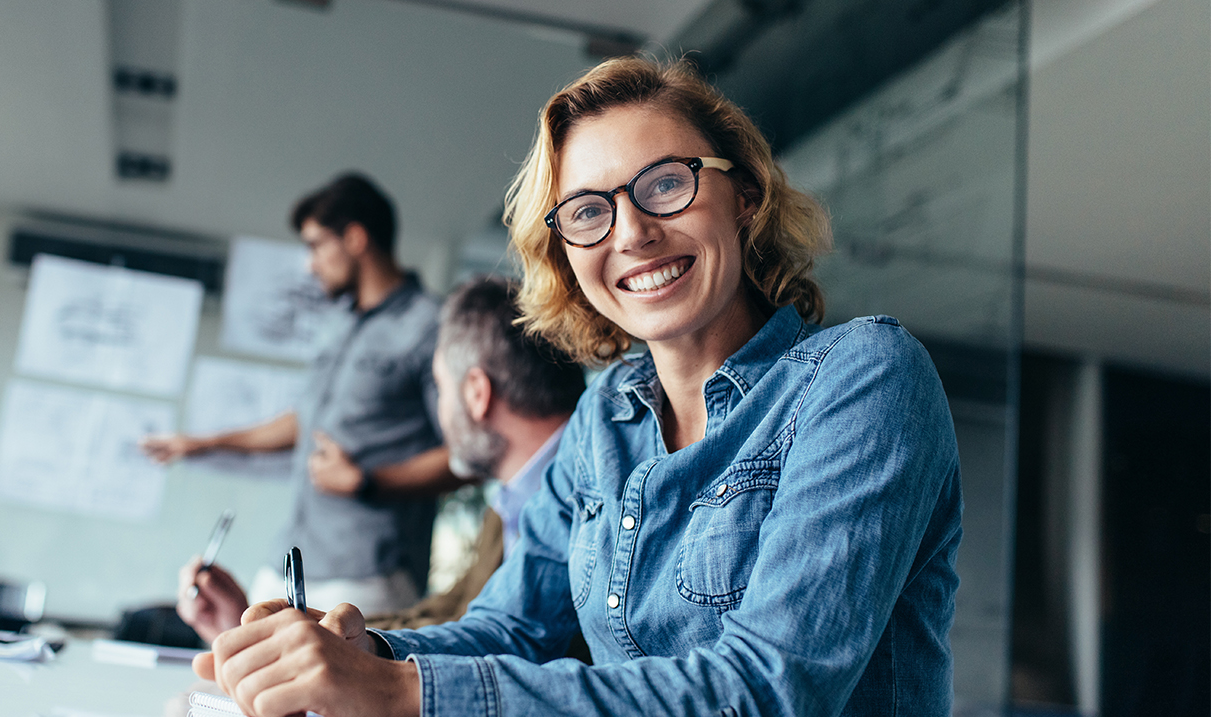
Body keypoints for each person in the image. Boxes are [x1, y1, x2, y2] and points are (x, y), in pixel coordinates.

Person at [194, 57, 964, 717]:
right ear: (567, 255)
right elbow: (512, 625)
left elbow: (764, 691)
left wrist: (400, 689)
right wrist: (356, 649)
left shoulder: (865, 378)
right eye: (589, 211)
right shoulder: (606, 416)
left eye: (667, 184)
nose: (631, 232)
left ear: (746, 196)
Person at [175, 277, 586, 642]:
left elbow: (491, 648)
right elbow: (451, 618)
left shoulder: (587, 502)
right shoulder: (509, 508)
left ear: (477, 394)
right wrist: (267, 635)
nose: (438, 418)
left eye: (441, 388)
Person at [142, 173, 460, 613]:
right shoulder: (338, 324)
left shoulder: (432, 326)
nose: (310, 264)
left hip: (367, 575)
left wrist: (368, 483)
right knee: (238, 674)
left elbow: (467, 455)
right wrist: (204, 443)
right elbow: (306, 419)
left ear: (355, 237)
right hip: (288, 561)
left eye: (315, 245)